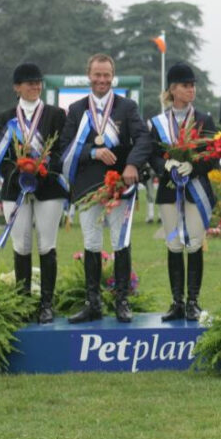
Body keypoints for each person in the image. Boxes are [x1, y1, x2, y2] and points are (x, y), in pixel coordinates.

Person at [60, 53, 152, 323]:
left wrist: (133, 165)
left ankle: (122, 301)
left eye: (106, 74)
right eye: (97, 74)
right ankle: (93, 304)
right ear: (89, 75)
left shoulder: (127, 107)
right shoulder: (77, 110)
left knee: (120, 243)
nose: (102, 79)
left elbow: (143, 139)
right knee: (91, 243)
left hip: (120, 186)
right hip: (89, 187)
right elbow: (63, 147)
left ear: (113, 76)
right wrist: (92, 152)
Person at [0, 62, 67, 323]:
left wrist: (44, 166)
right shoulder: (7, 117)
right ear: (17, 87)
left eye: (38, 81)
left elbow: (63, 151)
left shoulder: (56, 114)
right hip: (16, 189)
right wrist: (21, 169)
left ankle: (47, 303)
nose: (35, 86)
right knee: (21, 244)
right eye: (29, 82)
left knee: (47, 244)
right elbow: (0, 158)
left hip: (49, 188)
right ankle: (23, 301)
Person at [148, 62, 217, 321]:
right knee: (174, 244)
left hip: (195, 188)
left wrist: (194, 165)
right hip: (168, 190)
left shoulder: (203, 119)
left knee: (194, 243)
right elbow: (152, 154)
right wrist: (165, 165)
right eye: (186, 86)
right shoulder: (158, 122)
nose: (191, 90)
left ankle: (193, 302)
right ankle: (176, 301)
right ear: (173, 90)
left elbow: (213, 155)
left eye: (193, 86)